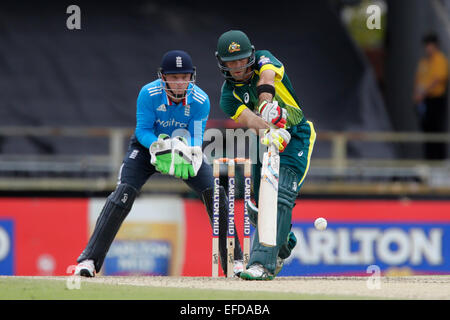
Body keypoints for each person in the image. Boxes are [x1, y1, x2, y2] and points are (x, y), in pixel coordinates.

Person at [74, 50, 244, 277]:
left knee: (215, 193)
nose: (180, 82)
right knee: (122, 194)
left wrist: (183, 150)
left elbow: (195, 136)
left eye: (184, 77)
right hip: (148, 150)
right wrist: (158, 147)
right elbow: (142, 131)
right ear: (163, 77)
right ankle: (89, 261)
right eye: (174, 77)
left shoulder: (200, 99)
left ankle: (235, 262)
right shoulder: (148, 93)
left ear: (191, 76)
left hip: (184, 151)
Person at [215, 30, 316, 280]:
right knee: (257, 205)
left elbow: (267, 79)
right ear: (222, 63)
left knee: (280, 195)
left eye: (241, 59)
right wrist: (269, 128)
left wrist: (265, 104)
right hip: (266, 139)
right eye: (231, 62)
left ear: (250, 55)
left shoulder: (264, 59)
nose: (237, 66)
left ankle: (261, 265)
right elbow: (249, 119)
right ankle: (284, 243)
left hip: (297, 136)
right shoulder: (228, 96)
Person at [414, 33, 449, 160]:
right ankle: (430, 159)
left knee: (437, 130)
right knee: (427, 130)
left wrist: (422, 93)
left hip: (436, 100)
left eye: (429, 45)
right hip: (424, 101)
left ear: (435, 46)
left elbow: (438, 79)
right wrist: (417, 95)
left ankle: (439, 160)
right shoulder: (424, 62)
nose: (427, 48)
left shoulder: (440, 60)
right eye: (426, 45)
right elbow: (418, 79)